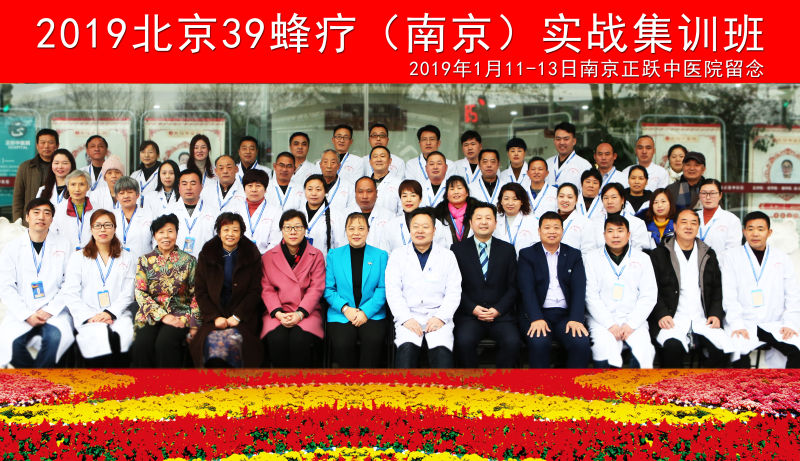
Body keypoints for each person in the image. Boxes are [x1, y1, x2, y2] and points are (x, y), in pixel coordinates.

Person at [648, 209, 728, 368]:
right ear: (675, 226)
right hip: (672, 319)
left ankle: (702, 385)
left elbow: (717, 288)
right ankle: (674, 385)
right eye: (684, 222)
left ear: (698, 227)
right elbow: (650, 289)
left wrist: (715, 313)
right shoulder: (659, 254)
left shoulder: (708, 254)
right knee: (672, 349)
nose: (689, 226)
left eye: (693, 223)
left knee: (721, 350)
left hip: (702, 319)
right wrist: (662, 314)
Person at [0, 198, 74, 368]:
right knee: (11, 345)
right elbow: (6, 286)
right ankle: (38, 380)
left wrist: (49, 310)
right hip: (22, 311)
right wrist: (26, 314)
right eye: (36, 212)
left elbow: (70, 283)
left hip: (54, 312)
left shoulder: (64, 245)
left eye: (47, 213)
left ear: (52, 219)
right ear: (27, 217)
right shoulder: (12, 248)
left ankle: (36, 381)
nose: (41, 217)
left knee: (54, 339)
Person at [721, 211, 800, 368]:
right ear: (744, 232)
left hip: (774, 322)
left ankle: (787, 385)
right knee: (738, 352)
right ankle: (745, 385)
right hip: (744, 321)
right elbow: (729, 295)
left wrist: (790, 323)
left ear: (769, 232)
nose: (755, 233)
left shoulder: (782, 258)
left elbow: (792, 294)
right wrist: (737, 324)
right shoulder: (731, 257)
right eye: (750, 229)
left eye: (760, 229)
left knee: (796, 349)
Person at [386, 207, 462, 368]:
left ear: (434, 230)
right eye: (415, 226)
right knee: (406, 357)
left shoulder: (447, 256)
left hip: (439, 316)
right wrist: (406, 318)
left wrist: (441, 317)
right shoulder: (397, 256)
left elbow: (454, 292)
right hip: (409, 317)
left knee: (442, 358)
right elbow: (393, 292)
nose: (420, 231)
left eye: (425, 227)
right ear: (409, 229)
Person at [62, 210, 136, 367]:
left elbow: (128, 292)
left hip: (117, 314)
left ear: (114, 228)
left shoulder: (127, 256)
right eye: (98, 225)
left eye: (108, 225)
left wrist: (110, 313)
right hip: (89, 314)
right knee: (97, 338)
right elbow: (70, 292)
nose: (103, 229)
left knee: (123, 336)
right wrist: (90, 316)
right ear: (91, 229)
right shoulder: (78, 257)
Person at [517, 211, 591, 368]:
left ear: (562, 231)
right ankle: (541, 383)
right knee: (539, 342)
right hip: (538, 312)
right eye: (547, 227)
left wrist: (576, 318)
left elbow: (579, 289)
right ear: (539, 231)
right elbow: (527, 290)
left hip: (566, 315)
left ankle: (573, 383)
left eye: (556, 227)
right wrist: (536, 318)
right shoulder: (527, 255)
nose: (552, 231)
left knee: (580, 343)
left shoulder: (573, 255)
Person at [451, 202, 520, 368]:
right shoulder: (457, 250)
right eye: (479, 218)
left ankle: (501, 382)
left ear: (495, 223)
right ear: (470, 222)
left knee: (512, 342)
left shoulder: (507, 250)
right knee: (463, 342)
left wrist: (498, 309)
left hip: (501, 316)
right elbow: (453, 287)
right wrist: (472, 308)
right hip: (470, 315)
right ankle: (471, 382)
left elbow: (513, 286)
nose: (483, 222)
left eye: (488, 218)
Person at [584, 214, 658, 368]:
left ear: (628, 234)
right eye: (610, 231)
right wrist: (610, 324)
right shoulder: (591, 259)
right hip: (602, 321)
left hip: (633, 318)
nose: (615, 235)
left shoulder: (643, 258)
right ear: (604, 235)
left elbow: (648, 295)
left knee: (644, 351)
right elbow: (590, 296)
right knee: (604, 349)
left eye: (620, 231)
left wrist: (631, 324)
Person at [192, 212, 264, 368]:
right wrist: (214, 317)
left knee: (234, 341)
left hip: (243, 317)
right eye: (226, 230)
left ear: (241, 233)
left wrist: (238, 316)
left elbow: (256, 290)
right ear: (219, 233)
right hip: (214, 316)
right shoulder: (207, 254)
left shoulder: (252, 255)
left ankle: (237, 381)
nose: (230, 234)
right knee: (211, 341)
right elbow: (201, 291)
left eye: (235, 230)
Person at [131, 213, 199, 368]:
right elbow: (140, 292)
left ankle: (168, 382)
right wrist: (162, 316)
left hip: (179, 314)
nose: (166, 236)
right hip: (150, 313)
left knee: (165, 343)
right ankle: (144, 383)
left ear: (176, 233)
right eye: (161, 232)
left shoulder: (189, 261)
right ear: (155, 235)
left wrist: (195, 325)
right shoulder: (144, 260)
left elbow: (196, 294)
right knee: (142, 344)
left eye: (170, 231)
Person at [260, 210, 326, 367]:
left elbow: (316, 288)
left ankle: (300, 381)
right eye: (288, 227)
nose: (293, 232)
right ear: (282, 230)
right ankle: (281, 381)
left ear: (305, 230)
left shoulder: (316, 255)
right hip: (277, 312)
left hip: (306, 312)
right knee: (277, 339)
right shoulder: (268, 257)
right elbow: (267, 289)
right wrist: (278, 313)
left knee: (299, 340)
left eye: (297, 227)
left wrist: (300, 313)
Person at [324, 212, 389, 368]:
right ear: (345, 231)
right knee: (342, 343)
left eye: (361, 228)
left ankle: (367, 381)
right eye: (351, 228)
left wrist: (365, 312)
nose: (356, 233)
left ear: (368, 230)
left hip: (372, 313)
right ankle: (349, 381)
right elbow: (328, 289)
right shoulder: (334, 255)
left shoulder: (380, 256)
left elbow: (383, 288)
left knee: (373, 341)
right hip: (342, 313)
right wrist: (346, 309)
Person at [379, 179, 450, 253]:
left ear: (420, 199)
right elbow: (385, 252)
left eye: (413, 195)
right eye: (404, 196)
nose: (408, 200)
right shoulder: (391, 225)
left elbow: (442, 250)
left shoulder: (434, 223)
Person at [166, 168, 219, 258]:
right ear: (179, 187)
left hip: (205, 262)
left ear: (201, 186)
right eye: (184, 184)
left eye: (193, 183)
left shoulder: (214, 212)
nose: (188, 188)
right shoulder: (168, 211)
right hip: (174, 263)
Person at [588, 183, 653, 251]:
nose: (609, 201)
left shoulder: (637, 223)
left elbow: (640, 249)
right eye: (606, 198)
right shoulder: (594, 223)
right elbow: (589, 248)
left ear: (622, 200)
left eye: (614, 197)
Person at [13, 128, 59, 223]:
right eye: (42, 142)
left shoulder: (63, 167)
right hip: (30, 221)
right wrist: (18, 223)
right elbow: (18, 199)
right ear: (37, 145)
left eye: (50, 142)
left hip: (56, 220)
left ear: (57, 145)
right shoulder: (25, 167)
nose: (46, 146)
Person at [235, 169, 282, 254]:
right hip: (238, 257)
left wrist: (262, 257)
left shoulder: (276, 212)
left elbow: (275, 241)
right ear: (244, 189)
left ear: (265, 189)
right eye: (250, 186)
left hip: (266, 257)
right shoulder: (235, 210)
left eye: (258, 186)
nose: (254, 190)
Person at [302, 174, 345, 256]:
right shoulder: (297, 214)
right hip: (301, 263)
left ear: (326, 192)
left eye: (318, 189)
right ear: (305, 191)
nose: (313, 193)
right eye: (310, 189)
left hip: (325, 262)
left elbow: (340, 246)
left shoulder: (336, 216)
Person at [53, 170, 96, 251]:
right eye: (73, 184)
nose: (77, 189)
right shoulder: (58, 209)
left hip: (91, 252)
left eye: (82, 184)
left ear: (88, 187)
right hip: (66, 253)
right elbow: (53, 234)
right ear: (67, 187)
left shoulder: (97, 209)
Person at [113, 177, 154, 259]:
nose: (126, 196)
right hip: (117, 261)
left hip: (143, 262)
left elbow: (156, 242)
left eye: (130, 192)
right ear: (117, 197)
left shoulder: (150, 216)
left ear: (137, 195)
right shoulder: (111, 216)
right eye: (121, 193)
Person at [697, 179, 742, 253]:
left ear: (720, 195)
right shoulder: (693, 217)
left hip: (721, 260)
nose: (708, 197)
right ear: (699, 195)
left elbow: (733, 251)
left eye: (712, 193)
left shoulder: (732, 220)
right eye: (704, 193)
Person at [348, 176, 395, 248]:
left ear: (376, 193)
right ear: (355, 193)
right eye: (360, 191)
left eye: (369, 191)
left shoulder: (389, 217)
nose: (364, 196)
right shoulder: (344, 215)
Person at [493, 183, 539, 255]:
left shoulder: (533, 221)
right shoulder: (494, 220)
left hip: (524, 261)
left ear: (522, 201)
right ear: (501, 201)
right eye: (506, 199)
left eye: (515, 199)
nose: (510, 203)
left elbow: (537, 246)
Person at [545, 122, 591, 189]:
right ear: (554, 141)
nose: (562, 142)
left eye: (566, 139)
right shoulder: (547, 163)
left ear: (574, 141)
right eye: (558, 139)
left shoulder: (584, 165)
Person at [435, 175, 476, 245]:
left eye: (459, 188)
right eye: (452, 189)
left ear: (467, 193)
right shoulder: (438, 213)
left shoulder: (476, 211)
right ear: (447, 195)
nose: (456, 192)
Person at [555, 183, 594, 254]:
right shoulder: (548, 220)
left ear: (576, 200)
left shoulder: (585, 223)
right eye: (561, 196)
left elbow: (587, 252)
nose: (565, 200)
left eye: (570, 197)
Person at [319, 148, 356, 213]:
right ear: (320, 165)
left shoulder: (349, 187)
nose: (329, 166)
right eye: (325, 162)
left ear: (339, 166)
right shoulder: (312, 185)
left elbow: (352, 210)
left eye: (333, 162)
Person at [367, 145, 401, 214]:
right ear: (370, 161)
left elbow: (401, 212)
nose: (379, 159)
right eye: (375, 156)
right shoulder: (364, 183)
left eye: (382, 156)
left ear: (390, 161)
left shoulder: (399, 184)